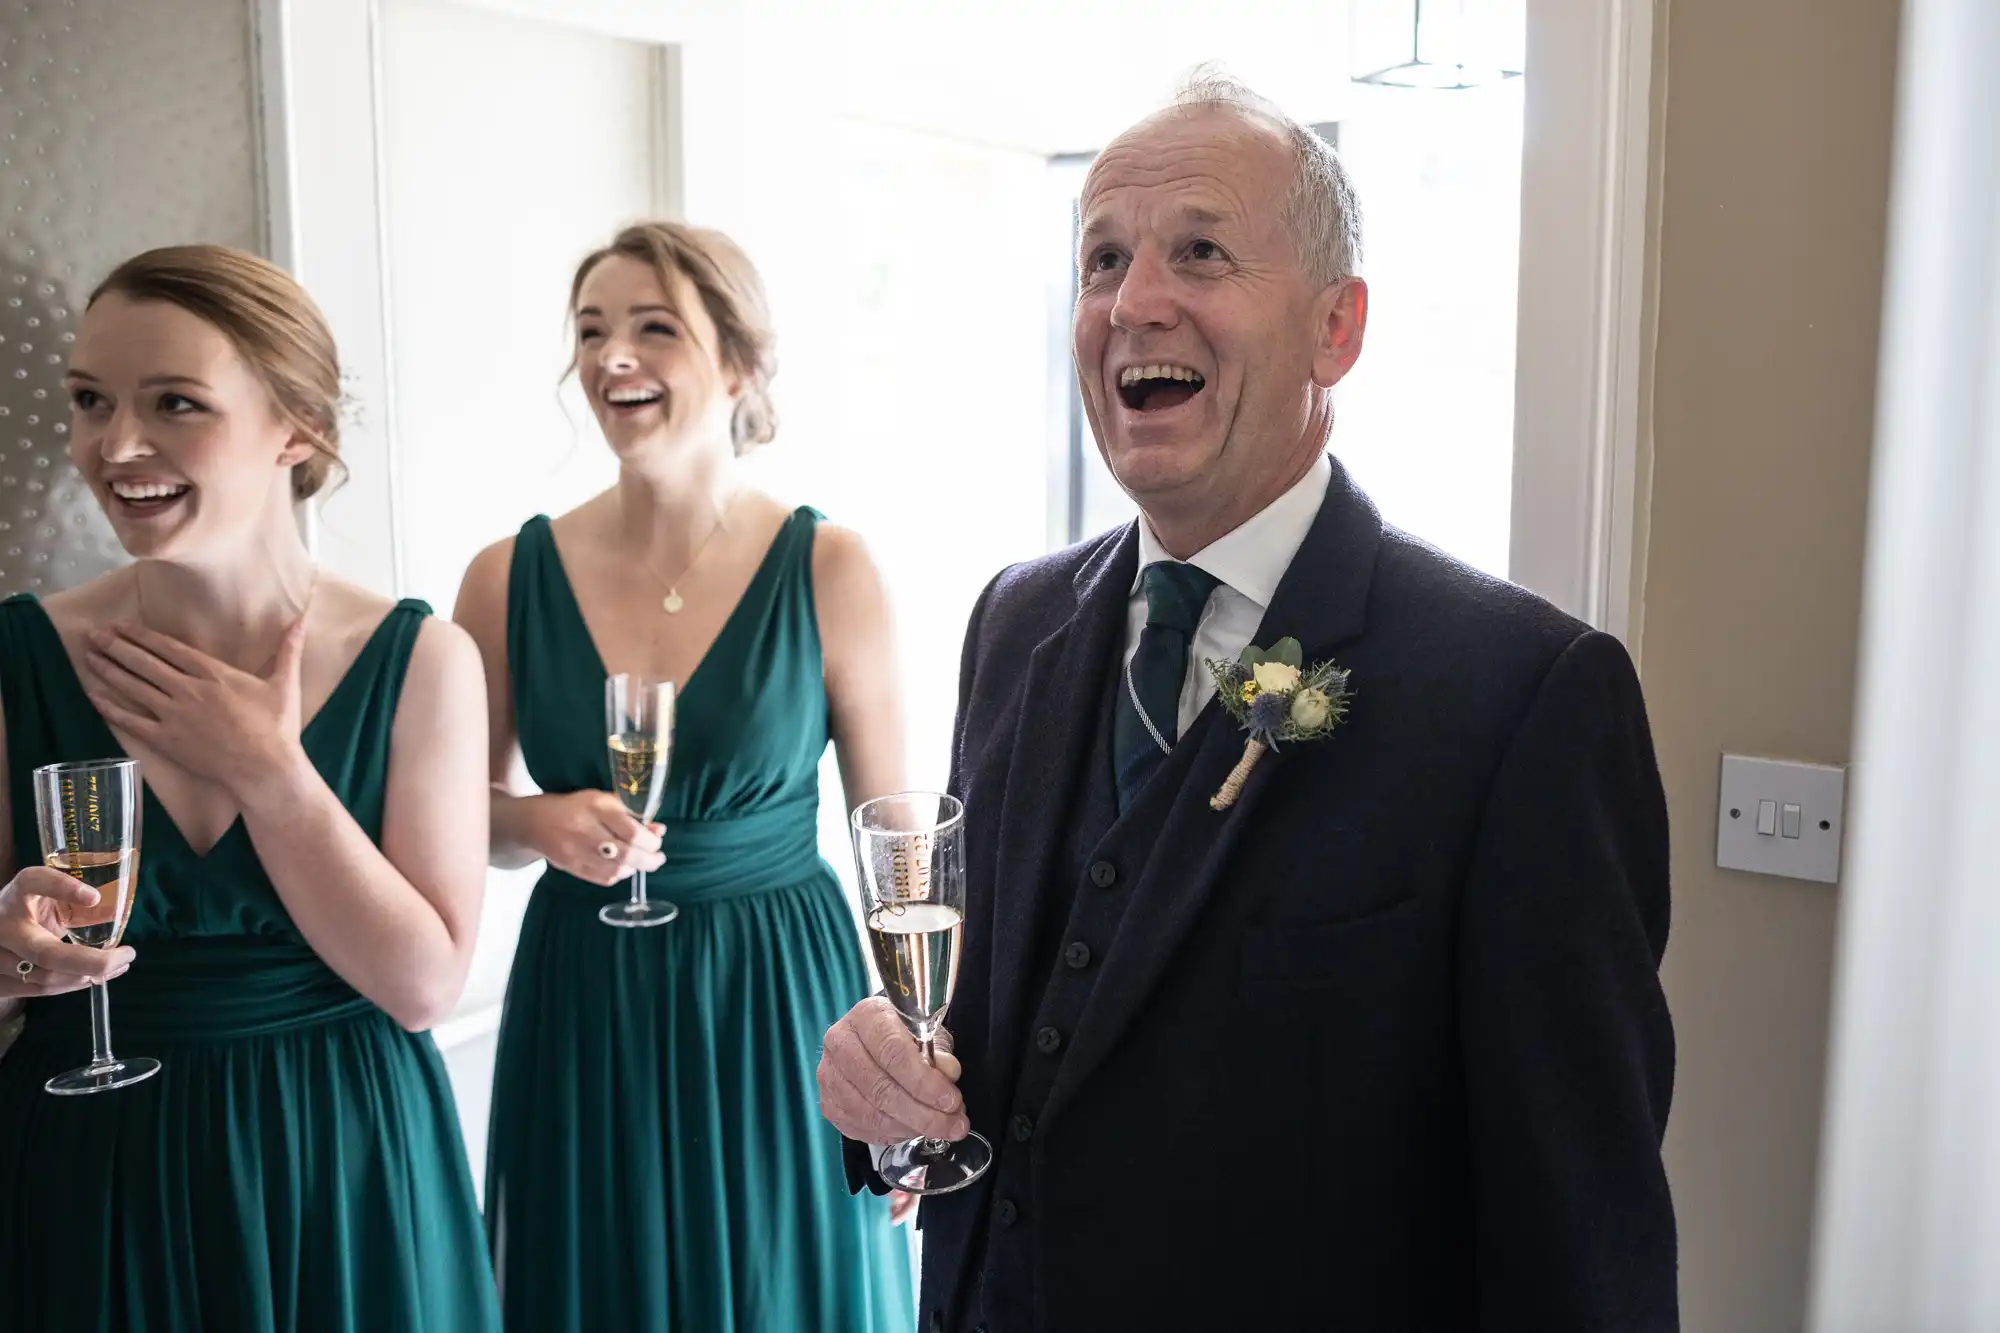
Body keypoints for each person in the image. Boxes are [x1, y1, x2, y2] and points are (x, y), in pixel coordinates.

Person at [817, 74, 1679, 1333]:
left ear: (1337, 327)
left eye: (1200, 252)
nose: (1131, 303)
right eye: (1101, 257)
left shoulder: (1519, 696)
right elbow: (1008, 1039)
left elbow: (1578, 1237)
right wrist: (891, 1096)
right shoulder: (1013, 620)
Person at [0, 244, 499, 1331]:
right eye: (91, 400)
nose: (115, 445)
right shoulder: (21, 659)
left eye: (175, 403)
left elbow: (421, 984)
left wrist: (270, 772)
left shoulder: (421, 662)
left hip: (347, 1167)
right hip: (91, 1176)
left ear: (297, 427)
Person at [457, 220, 915, 1332]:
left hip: (779, 993)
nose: (611, 357)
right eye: (591, 331)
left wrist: (918, 1063)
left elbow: (892, 837)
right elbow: (459, 814)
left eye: (652, 328)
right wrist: (538, 820)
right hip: (587, 998)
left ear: (738, 362)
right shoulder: (506, 574)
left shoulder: (828, 565)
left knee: (786, 1281)